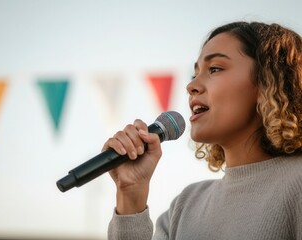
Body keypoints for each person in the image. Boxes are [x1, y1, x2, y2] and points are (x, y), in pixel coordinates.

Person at [104, 21, 302, 239]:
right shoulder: (185, 205)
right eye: (193, 75)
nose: (191, 86)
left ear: (268, 81)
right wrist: (130, 194)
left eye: (214, 69)